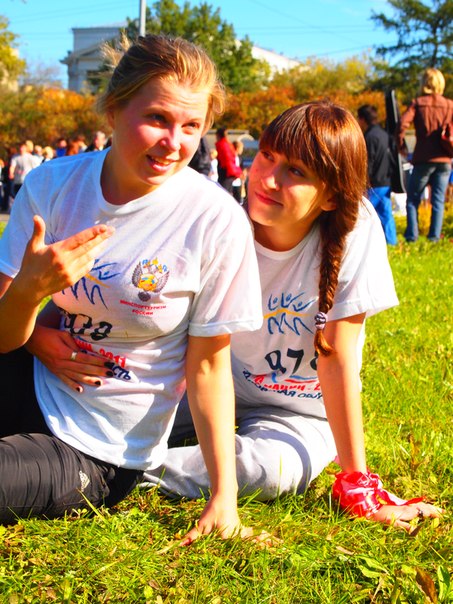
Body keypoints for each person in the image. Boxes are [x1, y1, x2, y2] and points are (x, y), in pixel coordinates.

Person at [0, 33, 263, 543]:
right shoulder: (52, 186)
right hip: (31, 379)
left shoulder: (215, 221)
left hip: (102, 447)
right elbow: (4, 335)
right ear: (114, 109)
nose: (174, 143)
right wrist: (30, 296)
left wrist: (224, 498)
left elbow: (209, 367)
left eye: (192, 126)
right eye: (158, 118)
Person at [138, 101, 442, 530]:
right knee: (124, 411)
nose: (268, 179)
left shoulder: (355, 229)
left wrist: (358, 483)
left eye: (296, 171)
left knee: (272, 471)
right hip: (212, 382)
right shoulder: (222, 222)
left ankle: (124, 470)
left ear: (332, 195)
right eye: (267, 156)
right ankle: (104, 450)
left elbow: (337, 357)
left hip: (299, 411)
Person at [397, 68, 453, 242]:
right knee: (438, 200)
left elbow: (402, 124)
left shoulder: (418, 103)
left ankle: (412, 236)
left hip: (423, 159)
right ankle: (434, 237)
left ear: (424, 83)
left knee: (413, 199)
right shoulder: (450, 105)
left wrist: (402, 145)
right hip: (444, 158)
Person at [357, 104, 398, 245]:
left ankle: (363, 243)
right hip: (386, 181)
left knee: (364, 215)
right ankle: (392, 241)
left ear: (363, 119)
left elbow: (368, 162)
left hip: (373, 183)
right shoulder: (385, 134)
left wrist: (363, 182)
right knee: (386, 214)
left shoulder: (369, 137)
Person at [215, 128, 242, 194]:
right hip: (227, 172)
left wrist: (232, 172)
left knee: (223, 192)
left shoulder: (223, 144)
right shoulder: (227, 144)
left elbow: (228, 159)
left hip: (226, 172)